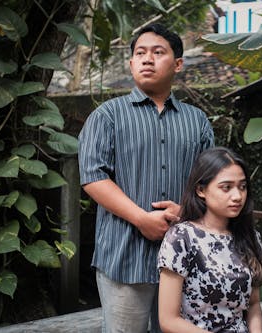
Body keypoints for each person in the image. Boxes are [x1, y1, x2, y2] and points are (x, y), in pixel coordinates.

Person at [78, 23, 214, 333]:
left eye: (158, 52)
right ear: (130, 62)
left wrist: (186, 211)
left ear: (178, 64)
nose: (147, 59)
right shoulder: (107, 116)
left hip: (185, 258)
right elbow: (93, 176)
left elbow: (209, 181)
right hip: (125, 257)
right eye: (140, 53)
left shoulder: (197, 121)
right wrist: (141, 218)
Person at [157, 147, 262, 333]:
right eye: (226, 187)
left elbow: (254, 304)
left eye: (242, 186)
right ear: (201, 190)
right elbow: (168, 320)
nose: (237, 196)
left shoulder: (250, 237)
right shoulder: (182, 238)